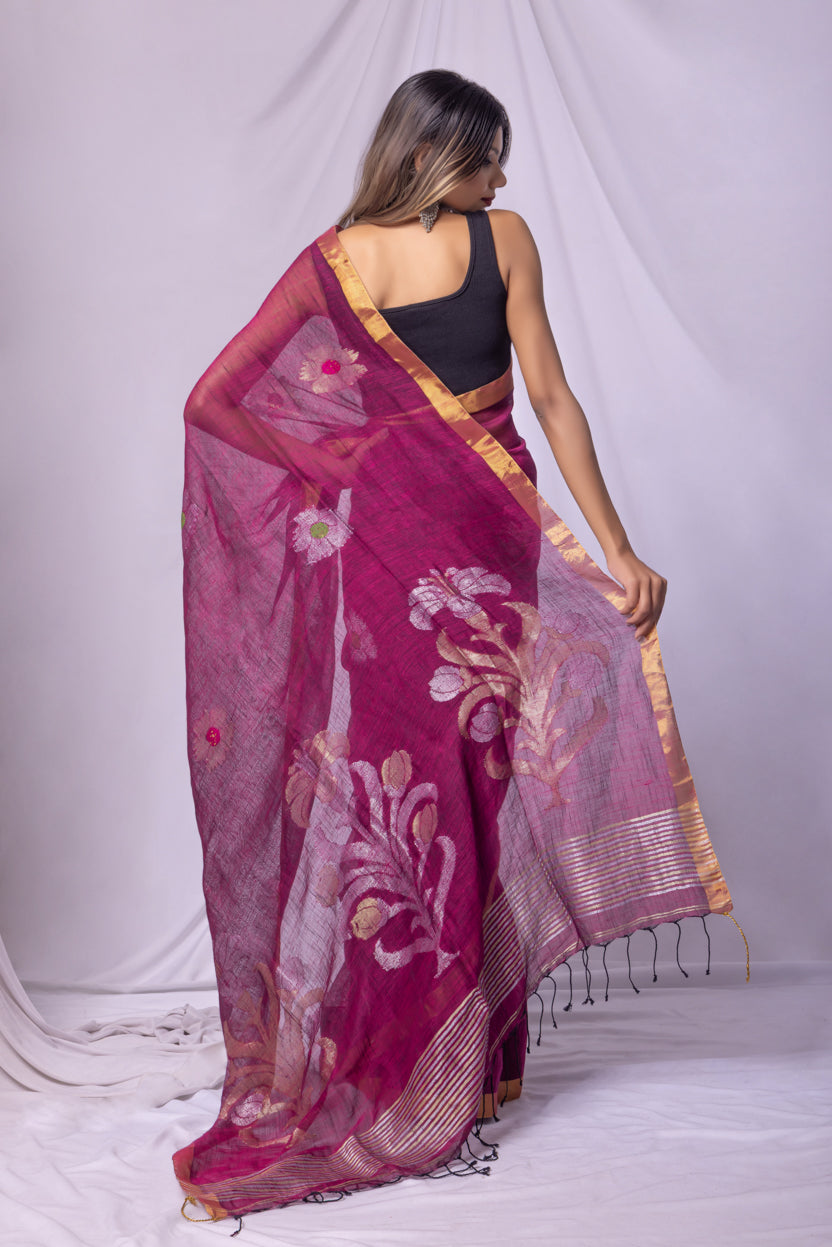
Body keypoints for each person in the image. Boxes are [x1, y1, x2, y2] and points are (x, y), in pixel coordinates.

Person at [175, 70, 732, 1224]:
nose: (503, 179)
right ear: (440, 159)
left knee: (432, 786)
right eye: (486, 159)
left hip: (425, 545)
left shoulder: (347, 257)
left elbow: (220, 397)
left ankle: (452, 1058)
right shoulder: (476, 242)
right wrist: (613, 547)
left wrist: (352, 469)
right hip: (453, 538)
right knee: (443, 790)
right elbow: (551, 399)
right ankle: (431, 1066)